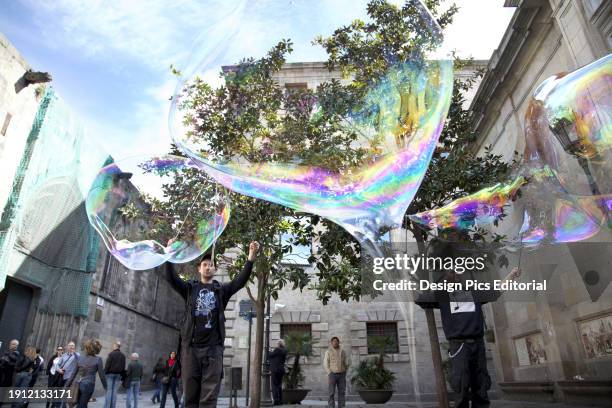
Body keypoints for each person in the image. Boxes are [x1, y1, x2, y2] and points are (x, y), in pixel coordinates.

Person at [165, 240, 259, 408]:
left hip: (213, 351)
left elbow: (239, 281)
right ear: (199, 269)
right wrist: (169, 255)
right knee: (190, 398)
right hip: (190, 350)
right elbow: (171, 279)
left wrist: (250, 259)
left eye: (211, 264)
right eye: (205, 264)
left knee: (208, 399)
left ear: (215, 270)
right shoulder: (189, 289)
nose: (208, 266)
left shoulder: (221, 291)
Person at [66, 339, 107, 408]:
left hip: (78, 384)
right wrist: (106, 387)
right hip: (88, 385)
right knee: (82, 405)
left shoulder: (80, 358)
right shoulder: (98, 359)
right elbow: (102, 376)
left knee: (82, 404)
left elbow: (73, 374)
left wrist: (66, 386)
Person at [323, 337, 350, 408]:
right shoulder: (328, 352)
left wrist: (345, 370)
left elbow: (347, 362)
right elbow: (325, 363)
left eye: (336, 341)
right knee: (331, 392)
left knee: (342, 392)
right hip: (332, 375)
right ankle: (331, 406)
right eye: (334, 341)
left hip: (342, 374)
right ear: (331, 343)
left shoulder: (343, 351)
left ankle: (341, 406)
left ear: (339, 342)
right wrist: (329, 372)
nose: (335, 342)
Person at [55, 341, 80, 408]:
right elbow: (57, 365)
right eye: (70, 345)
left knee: (65, 393)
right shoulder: (64, 355)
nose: (71, 346)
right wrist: (59, 370)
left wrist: (73, 352)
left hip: (69, 378)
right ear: (67, 346)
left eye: (73, 345)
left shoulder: (76, 355)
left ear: (74, 347)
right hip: (62, 376)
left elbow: (79, 359)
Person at [103, 341, 126, 408]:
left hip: (110, 374)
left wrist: (105, 372)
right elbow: (123, 366)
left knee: (109, 390)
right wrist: (122, 375)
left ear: (115, 346)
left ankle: (107, 406)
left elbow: (107, 365)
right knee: (114, 391)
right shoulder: (123, 355)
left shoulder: (111, 354)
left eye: (113, 346)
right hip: (118, 375)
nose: (112, 347)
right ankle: (112, 406)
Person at [268, 340, 287, 406]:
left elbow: (270, 355)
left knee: (274, 386)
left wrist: (269, 350)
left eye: (277, 343)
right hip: (281, 370)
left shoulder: (277, 350)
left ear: (278, 344)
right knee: (279, 385)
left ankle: (276, 401)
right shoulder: (284, 350)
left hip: (275, 370)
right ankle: (280, 401)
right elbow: (277, 356)